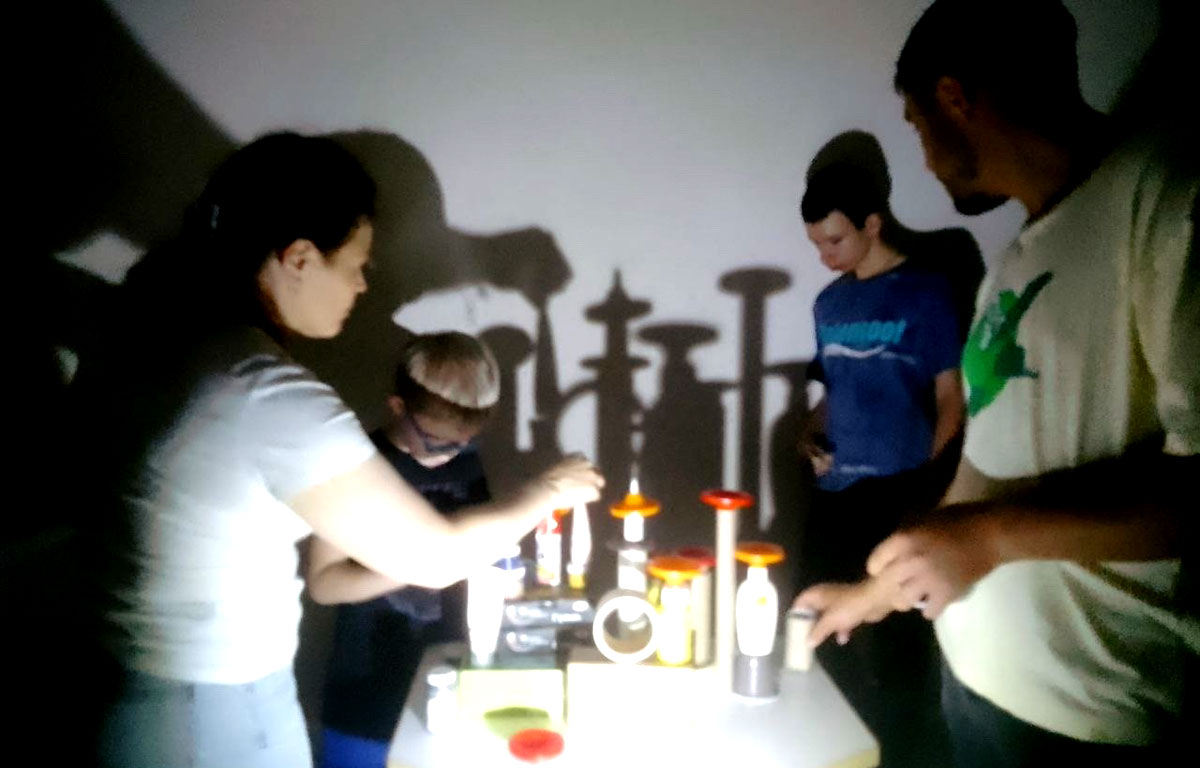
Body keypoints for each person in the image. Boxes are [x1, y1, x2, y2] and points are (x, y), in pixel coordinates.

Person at [74, 132, 602, 768]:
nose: (362, 287)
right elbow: (435, 557)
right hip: (216, 720)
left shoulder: (149, 339)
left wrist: (495, 257)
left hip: (136, 697)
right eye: (357, 266)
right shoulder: (262, 395)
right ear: (299, 258)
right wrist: (548, 490)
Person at [795, 2, 1198, 765]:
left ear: (955, 99)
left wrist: (986, 537)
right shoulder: (1017, 260)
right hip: (979, 686)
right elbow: (986, 466)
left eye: (917, 125)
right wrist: (874, 595)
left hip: (1086, 715)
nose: (923, 158)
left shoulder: (1166, 192)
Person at [797, 161, 965, 763]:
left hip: (900, 494)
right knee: (816, 629)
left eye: (835, 241)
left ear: (872, 223)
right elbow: (833, 393)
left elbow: (951, 398)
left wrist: (932, 487)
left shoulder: (927, 291)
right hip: (836, 494)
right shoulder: (829, 304)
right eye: (817, 245)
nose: (825, 257)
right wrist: (809, 435)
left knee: (901, 656)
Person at [310, 332, 500, 768]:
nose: (451, 453)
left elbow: (477, 549)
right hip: (365, 696)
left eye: (465, 441)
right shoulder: (356, 464)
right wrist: (419, 564)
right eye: (437, 441)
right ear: (398, 408)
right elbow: (324, 583)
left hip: (448, 680)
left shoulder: (465, 461)